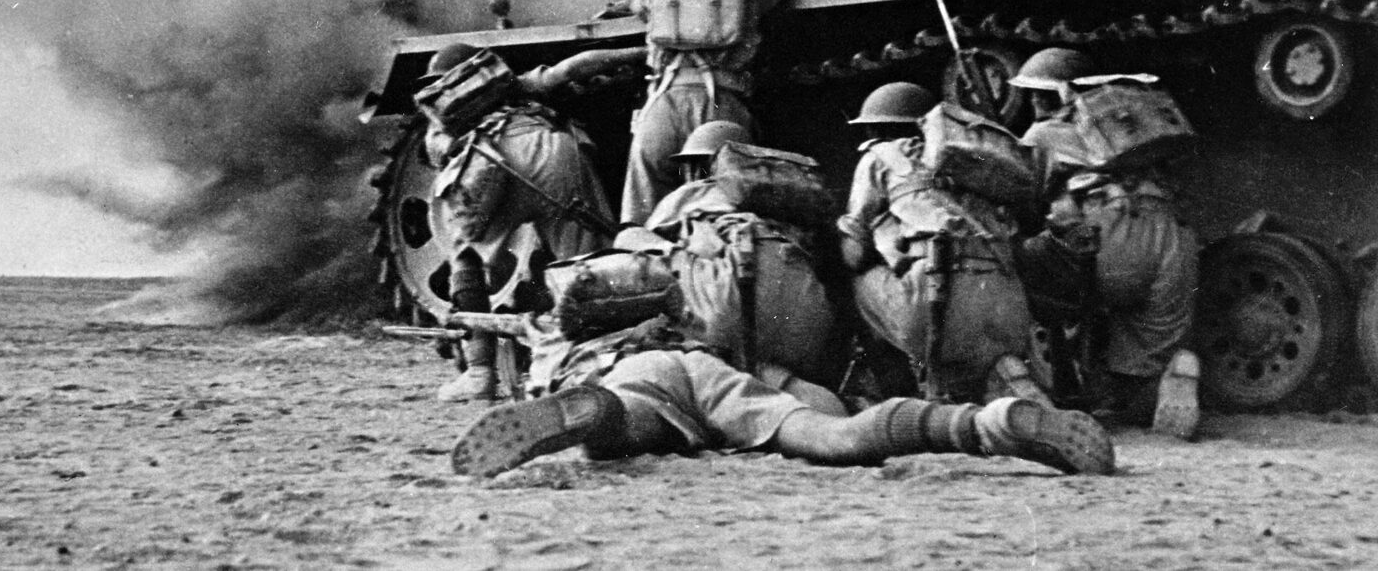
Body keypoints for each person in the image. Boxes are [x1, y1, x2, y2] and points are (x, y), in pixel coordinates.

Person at [448, 313, 1114, 478]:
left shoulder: (559, 328)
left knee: (619, 425)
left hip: (630, 379)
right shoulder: (677, 312)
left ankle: (580, 412)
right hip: (710, 372)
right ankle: (990, 423)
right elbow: (816, 402)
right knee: (838, 439)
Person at [1011, 48, 1201, 439]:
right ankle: (1171, 376)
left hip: (1109, 237)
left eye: (1036, 93)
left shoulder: (1043, 134)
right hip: (1175, 236)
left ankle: (1063, 387)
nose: (1031, 102)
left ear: (1055, 95)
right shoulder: (1130, 125)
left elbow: (1024, 202)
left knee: (1026, 268)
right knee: (1145, 362)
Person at [419, 43, 616, 402]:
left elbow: (439, 152)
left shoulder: (442, 117)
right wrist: (640, 52)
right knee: (587, 266)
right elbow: (573, 68)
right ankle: (600, 362)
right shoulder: (517, 85)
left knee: (466, 254)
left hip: (488, 161)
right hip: (550, 151)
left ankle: (480, 372)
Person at [835, 82, 1044, 404]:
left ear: (876, 128)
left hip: (938, 303)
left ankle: (892, 391)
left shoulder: (880, 157)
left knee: (856, 282)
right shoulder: (974, 164)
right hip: (1009, 306)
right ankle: (1006, 378)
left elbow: (853, 252)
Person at [610, 0, 817, 225]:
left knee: (645, 209)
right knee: (720, 203)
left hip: (662, 109)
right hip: (719, 109)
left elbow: (636, 5)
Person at [622, 121, 843, 382]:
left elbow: (644, 246)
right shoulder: (787, 202)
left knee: (629, 237)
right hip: (806, 323)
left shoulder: (691, 192)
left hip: (729, 312)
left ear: (699, 166)